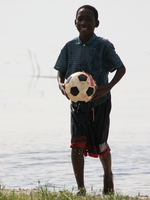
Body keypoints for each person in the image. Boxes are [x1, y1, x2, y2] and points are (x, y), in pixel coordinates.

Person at [54, 5, 126, 195]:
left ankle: (108, 176)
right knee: (76, 143)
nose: (84, 23)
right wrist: (61, 84)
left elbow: (121, 69)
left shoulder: (104, 46)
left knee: (101, 144)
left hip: (99, 103)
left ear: (97, 23)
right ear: (75, 22)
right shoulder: (69, 47)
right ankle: (81, 189)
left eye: (89, 20)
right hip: (77, 104)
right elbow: (60, 70)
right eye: (81, 19)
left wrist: (107, 88)